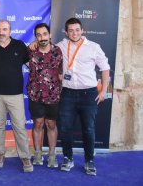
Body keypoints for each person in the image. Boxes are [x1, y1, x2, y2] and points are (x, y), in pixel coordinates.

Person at [55, 17, 109, 176]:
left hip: (89, 94)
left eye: (77, 30)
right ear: (66, 32)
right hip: (67, 94)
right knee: (65, 128)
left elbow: (105, 68)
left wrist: (103, 91)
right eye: (71, 30)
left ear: (82, 30)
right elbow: (46, 53)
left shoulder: (93, 47)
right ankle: (67, 158)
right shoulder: (60, 47)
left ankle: (89, 161)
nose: (74, 33)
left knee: (89, 129)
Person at [0, 20, 33, 172]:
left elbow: (31, 64)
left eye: (4, 29)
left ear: (10, 31)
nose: (1, 32)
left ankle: (25, 156)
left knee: (19, 126)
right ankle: (0, 153)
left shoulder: (19, 46)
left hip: (16, 95)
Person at [26, 23, 62, 168]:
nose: (42, 37)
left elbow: (61, 72)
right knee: (38, 123)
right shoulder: (30, 51)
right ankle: (38, 154)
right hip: (35, 95)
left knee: (51, 124)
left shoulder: (58, 51)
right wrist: (30, 44)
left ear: (50, 35)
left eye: (45, 34)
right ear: (36, 37)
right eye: (39, 35)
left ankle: (52, 155)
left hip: (53, 95)